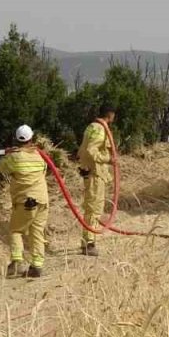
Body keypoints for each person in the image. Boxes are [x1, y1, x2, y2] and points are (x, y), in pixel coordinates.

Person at [0, 124, 49, 278]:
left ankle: (17, 262)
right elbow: (45, 169)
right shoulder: (39, 156)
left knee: (16, 230)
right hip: (42, 201)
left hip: (26, 202)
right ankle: (37, 266)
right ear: (31, 138)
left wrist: (7, 154)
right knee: (37, 232)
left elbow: (1, 168)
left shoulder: (14, 157)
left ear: (16, 139)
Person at [77, 105, 116, 256]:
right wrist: (108, 159)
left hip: (91, 172)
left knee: (91, 207)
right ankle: (89, 243)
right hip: (95, 174)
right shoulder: (100, 129)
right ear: (110, 114)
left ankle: (86, 241)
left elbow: (83, 150)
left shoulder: (92, 127)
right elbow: (90, 150)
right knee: (94, 208)